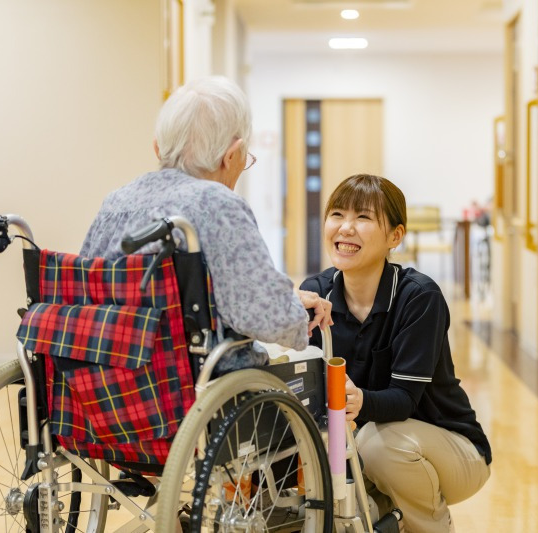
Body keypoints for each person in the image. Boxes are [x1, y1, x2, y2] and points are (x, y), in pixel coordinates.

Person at [80, 76, 332, 373]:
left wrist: (284, 299)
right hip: (190, 384)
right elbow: (272, 321)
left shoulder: (115, 203)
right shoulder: (217, 203)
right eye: (245, 159)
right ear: (231, 155)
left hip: (108, 376)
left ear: (157, 148)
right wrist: (293, 311)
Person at [301, 174, 491, 533]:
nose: (346, 228)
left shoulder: (418, 297)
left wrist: (357, 401)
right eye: (337, 214)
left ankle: (430, 525)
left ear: (395, 236)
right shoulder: (317, 292)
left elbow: (404, 399)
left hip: (452, 448)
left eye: (364, 218)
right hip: (367, 445)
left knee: (376, 443)